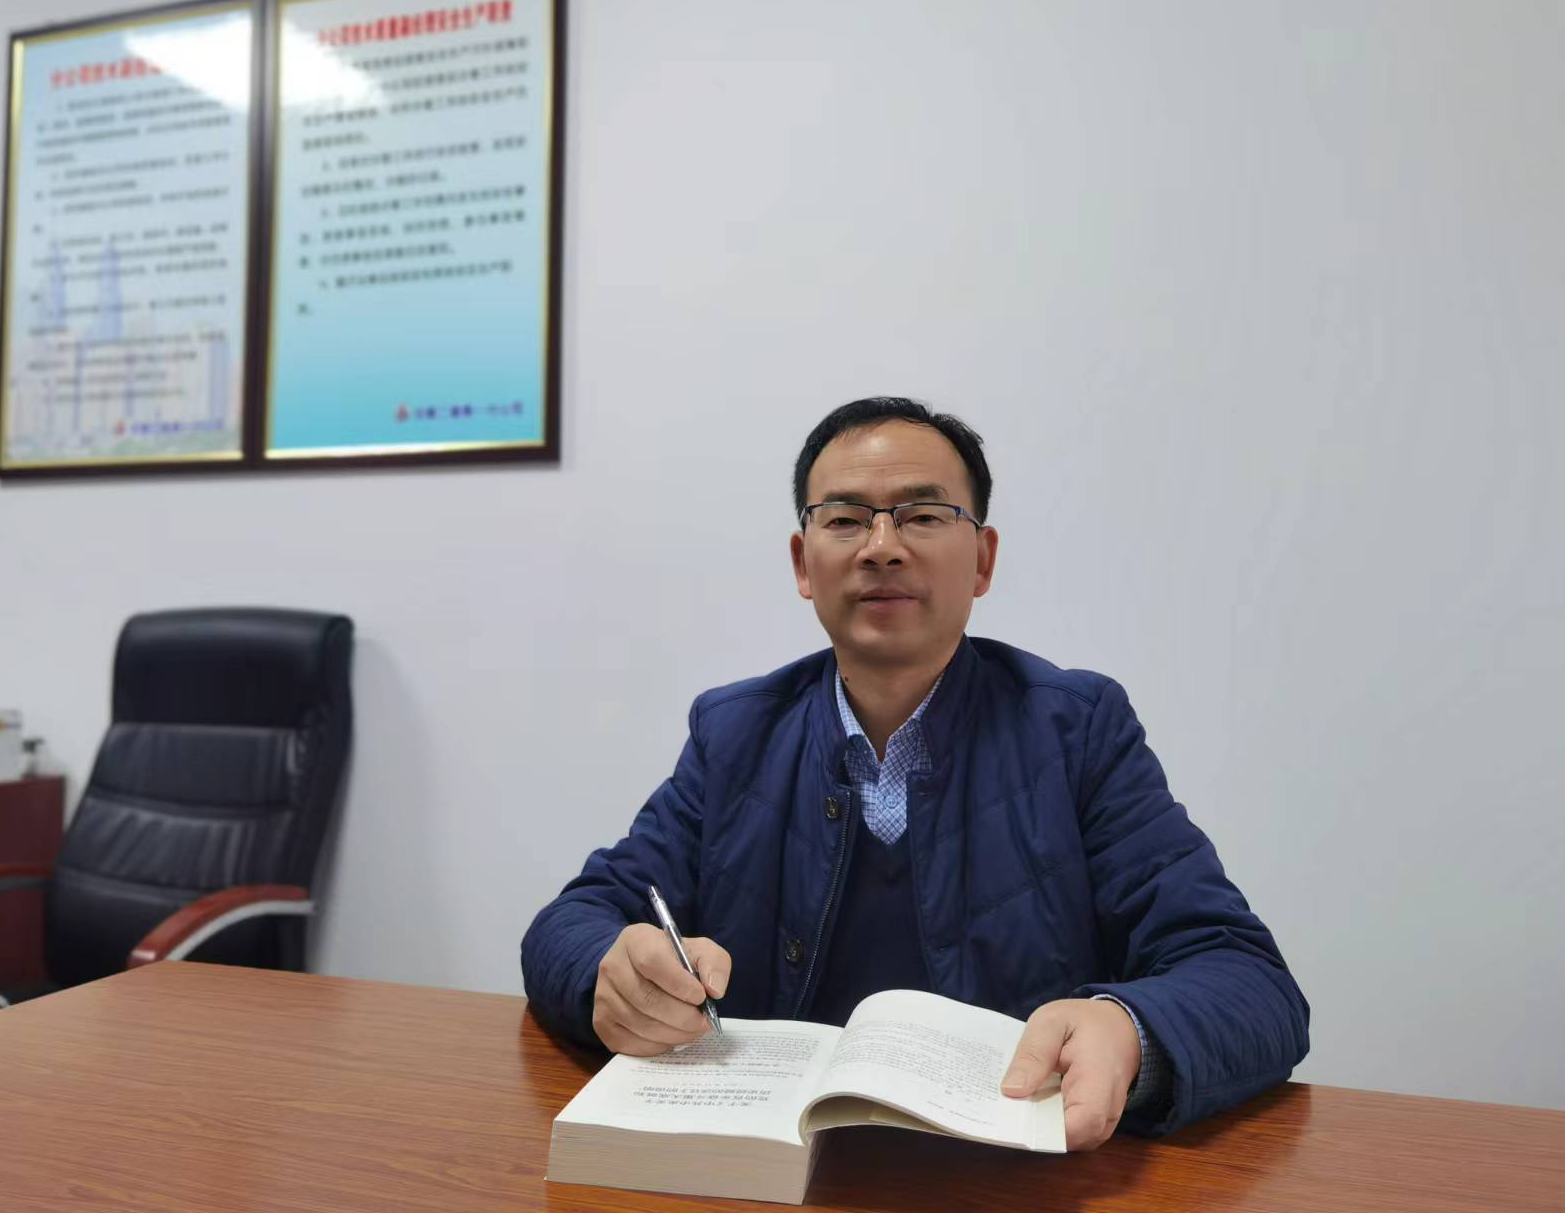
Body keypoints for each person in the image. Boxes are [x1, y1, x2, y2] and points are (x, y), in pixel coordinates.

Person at [522, 397, 1309, 1148]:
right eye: (845, 519)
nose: (881, 546)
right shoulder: (735, 733)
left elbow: (1248, 979)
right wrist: (608, 974)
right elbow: (575, 919)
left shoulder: (1075, 730)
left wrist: (1130, 1029)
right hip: (775, 1165)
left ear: (983, 560)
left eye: (924, 516)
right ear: (803, 562)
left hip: (1006, 1167)